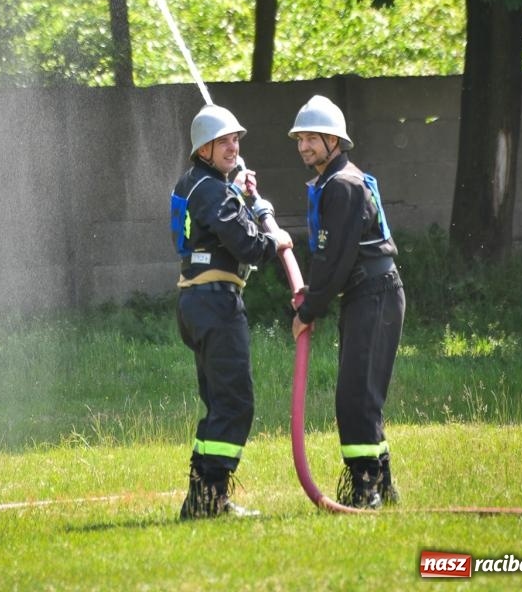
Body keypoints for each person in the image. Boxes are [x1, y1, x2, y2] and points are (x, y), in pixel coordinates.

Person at [171, 102, 293, 519]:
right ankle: (213, 495)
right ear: (202, 150)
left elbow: (220, 218)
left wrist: (240, 191)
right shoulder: (212, 190)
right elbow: (247, 245)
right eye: (222, 141)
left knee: (219, 403)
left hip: (197, 302)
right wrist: (272, 234)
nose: (232, 146)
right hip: (216, 303)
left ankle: (203, 498)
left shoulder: (196, 184)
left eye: (235, 139)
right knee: (236, 403)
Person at [289, 94, 405, 509]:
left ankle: (366, 490)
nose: (304, 147)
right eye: (300, 140)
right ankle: (381, 485)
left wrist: (309, 310)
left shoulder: (343, 185)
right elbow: (330, 256)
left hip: (374, 294)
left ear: (333, 140)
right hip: (366, 296)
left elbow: (337, 260)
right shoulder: (332, 183)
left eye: (311, 139)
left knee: (356, 397)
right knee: (361, 395)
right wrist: (313, 297)